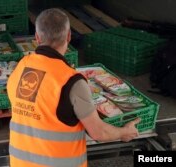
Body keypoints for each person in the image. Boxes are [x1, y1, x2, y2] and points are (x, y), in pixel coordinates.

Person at [7, 8, 140, 167]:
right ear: (69, 36)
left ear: (36, 37)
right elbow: (99, 133)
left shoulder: (21, 67)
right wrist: (124, 132)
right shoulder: (71, 81)